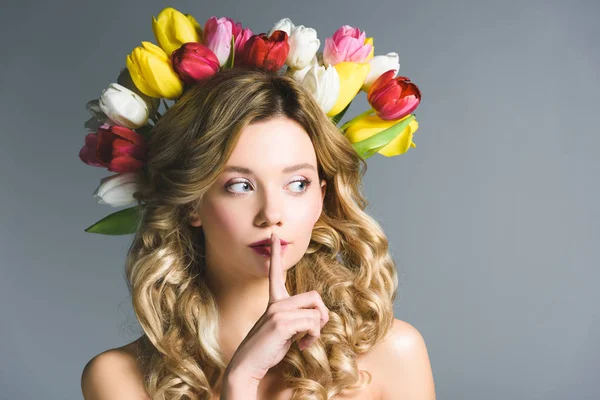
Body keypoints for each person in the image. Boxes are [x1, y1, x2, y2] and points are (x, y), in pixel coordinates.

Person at [80, 67, 436, 399]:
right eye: (240, 185)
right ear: (192, 205)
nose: (272, 214)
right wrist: (241, 380)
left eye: (297, 183)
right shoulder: (119, 379)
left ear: (320, 198)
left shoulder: (394, 355)